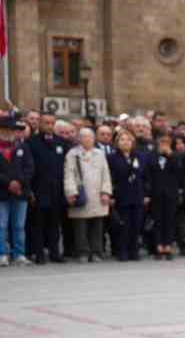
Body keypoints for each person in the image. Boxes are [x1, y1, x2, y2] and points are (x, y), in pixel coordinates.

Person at [63, 126, 112, 262]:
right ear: (79, 139)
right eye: (83, 137)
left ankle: (96, 251)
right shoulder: (72, 154)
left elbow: (106, 174)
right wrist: (71, 192)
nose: (87, 139)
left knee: (97, 225)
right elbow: (69, 175)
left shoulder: (99, 153)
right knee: (80, 226)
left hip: (97, 194)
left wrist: (106, 192)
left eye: (89, 137)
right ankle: (82, 252)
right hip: (81, 194)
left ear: (93, 139)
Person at [27, 117, 70, 263]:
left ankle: (55, 252)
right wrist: (30, 190)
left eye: (52, 123)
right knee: (38, 223)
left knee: (54, 224)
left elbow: (66, 167)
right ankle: (39, 254)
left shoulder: (61, 142)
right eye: (46, 122)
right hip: (39, 189)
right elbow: (29, 167)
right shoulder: (31, 142)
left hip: (56, 190)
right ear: (40, 123)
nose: (49, 125)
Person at [107, 129, 149, 262]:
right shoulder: (112, 158)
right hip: (121, 195)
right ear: (117, 142)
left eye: (129, 140)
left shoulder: (140, 156)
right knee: (123, 225)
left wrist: (147, 193)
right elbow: (111, 178)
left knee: (136, 224)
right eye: (122, 140)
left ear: (133, 142)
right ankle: (122, 251)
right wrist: (111, 195)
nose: (126, 142)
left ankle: (134, 250)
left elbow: (145, 177)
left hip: (137, 194)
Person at [0, 113, 33, 266]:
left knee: (19, 225)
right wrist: (9, 183)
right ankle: (3, 254)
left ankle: (19, 253)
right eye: (5, 129)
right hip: (2, 192)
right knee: (2, 225)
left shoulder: (23, 147)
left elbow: (30, 168)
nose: (9, 132)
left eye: (12, 129)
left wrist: (19, 182)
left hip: (20, 192)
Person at [147, 134, 183, 261]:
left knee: (169, 220)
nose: (164, 144)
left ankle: (168, 245)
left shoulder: (175, 155)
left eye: (167, 142)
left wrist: (170, 155)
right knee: (157, 220)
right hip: (156, 193)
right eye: (162, 142)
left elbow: (178, 169)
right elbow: (149, 172)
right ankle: (158, 246)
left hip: (171, 193)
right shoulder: (151, 155)